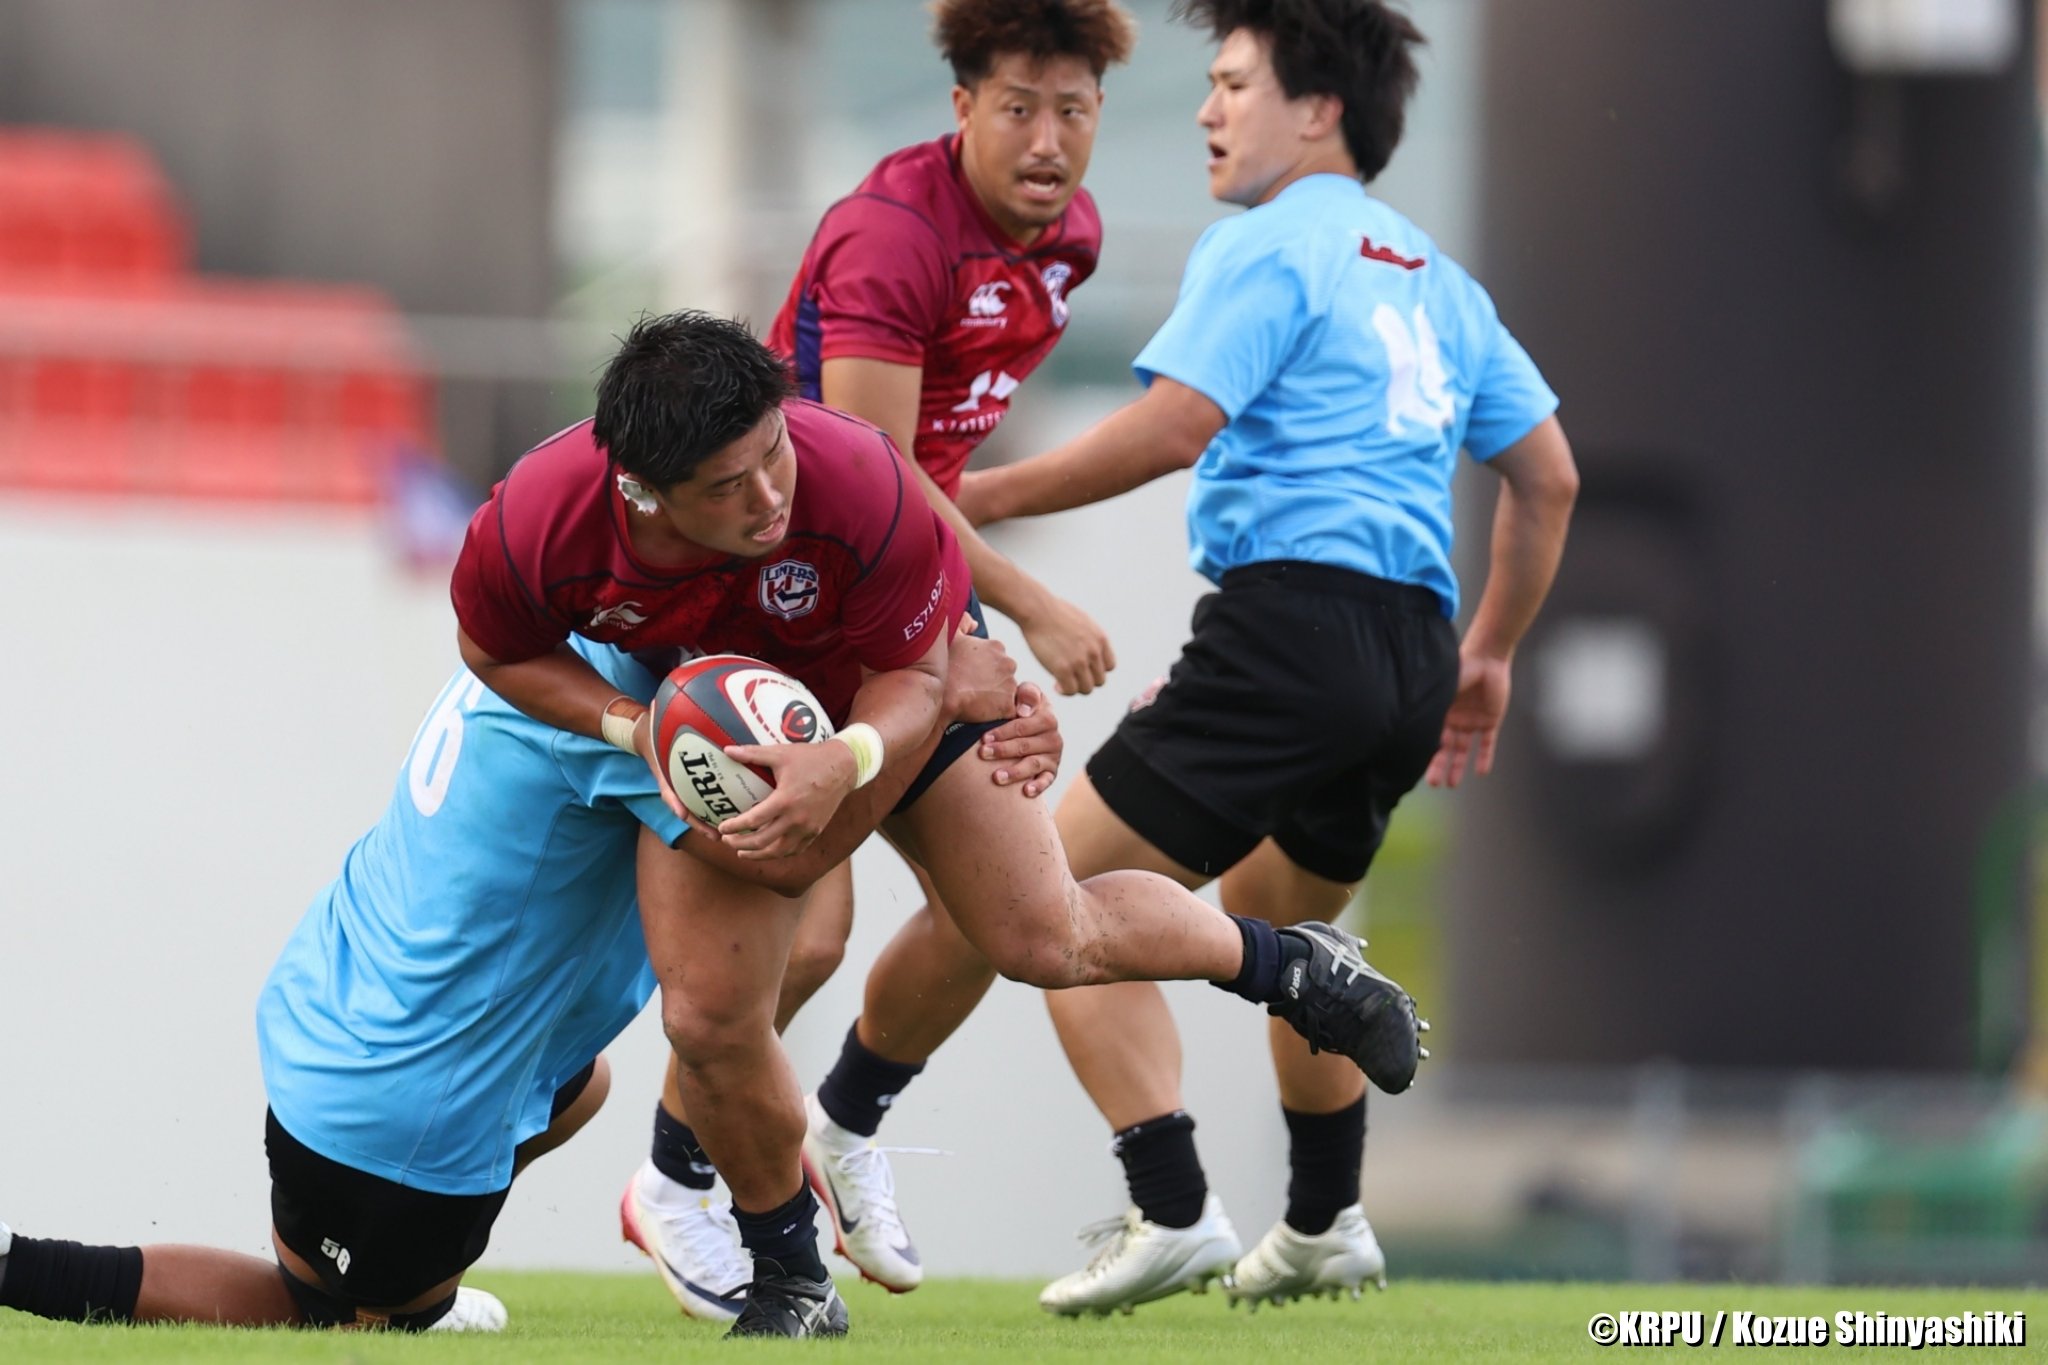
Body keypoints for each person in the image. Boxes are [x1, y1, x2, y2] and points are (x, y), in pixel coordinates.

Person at [449, 309, 1425, 1337]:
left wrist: (846, 760)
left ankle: (1294, 969)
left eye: (773, 454)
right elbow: (492, 648)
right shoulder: (539, 519)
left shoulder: (857, 474)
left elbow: (924, 679)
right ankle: (789, 1280)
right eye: (728, 488)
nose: (769, 497)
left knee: (1042, 936)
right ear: (643, 490)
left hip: (898, 690)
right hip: (730, 728)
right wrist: (634, 725)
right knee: (707, 1019)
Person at [956, 0, 1580, 1316]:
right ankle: (1325, 1218)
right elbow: (1549, 478)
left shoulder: (1270, 239)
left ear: (1318, 111)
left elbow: (1174, 426)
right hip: (1411, 654)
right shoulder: (1438, 277)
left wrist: (980, 498)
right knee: (1291, 930)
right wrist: (1488, 656)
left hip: (1291, 627)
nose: (1206, 110)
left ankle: (1171, 1205)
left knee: (1047, 898)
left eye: (1234, 83)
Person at [620, 0, 1140, 1311]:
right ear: (960, 107)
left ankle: (846, 1123)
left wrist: (970, 615)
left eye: (1073, 110)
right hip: (797, 591)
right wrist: (1025, 607)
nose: (1047, 139)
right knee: (806, 940)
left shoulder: (1071, 238)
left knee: (1009, 900)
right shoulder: (890, 239)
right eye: (1017, 107)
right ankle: (674, 1179)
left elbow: (934, 476)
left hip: (909, 585)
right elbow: (880, 470)